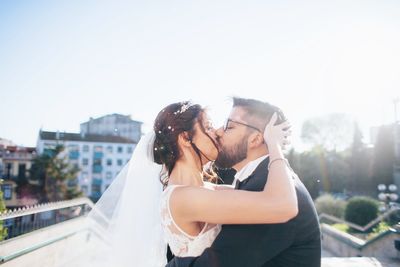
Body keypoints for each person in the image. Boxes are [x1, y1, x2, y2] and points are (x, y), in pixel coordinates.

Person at [166, 97, 321, 267]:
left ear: (255, 139)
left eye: (229, 126)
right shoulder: (262, 180)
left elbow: (219, 261)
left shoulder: (266, 187)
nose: (217, 132)